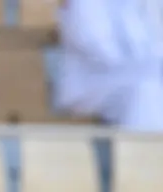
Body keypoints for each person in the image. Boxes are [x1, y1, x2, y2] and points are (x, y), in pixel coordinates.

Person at [55, 0, 163, 132]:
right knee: (146, 88)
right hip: (95, 83)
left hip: (136, 74)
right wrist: (151, 66)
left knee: (149, 83)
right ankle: (144, 145)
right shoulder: (87, 4)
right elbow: (99, 48)